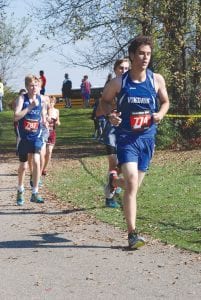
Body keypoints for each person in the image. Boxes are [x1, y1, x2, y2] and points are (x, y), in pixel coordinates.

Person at [100, 35, 169, 249]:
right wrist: (110, 114)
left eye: (148, 54)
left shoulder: (156, 79)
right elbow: (104, 101)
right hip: (127, 138)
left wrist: (161, 114)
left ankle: (112, 182)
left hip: (147, 139)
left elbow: (165, 102)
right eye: (141, 53)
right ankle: (132, 234)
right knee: (131, 182)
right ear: (132, 55)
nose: (145, 57)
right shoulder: (119, 82)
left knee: (133, 187)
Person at [99, 58, 130, 208]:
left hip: (126, 130)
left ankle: (114, 184)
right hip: (111, 130)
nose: (123, 71)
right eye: (121, 68)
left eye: (126, 68)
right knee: (113, 162)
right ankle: (109, 196)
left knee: (123, 163)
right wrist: (110, 114)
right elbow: (101, 105)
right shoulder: (111, 86)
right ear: (115, 70)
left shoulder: (131, 86)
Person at [14, 75, 46, 205]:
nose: (34, 88)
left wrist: (45, 119)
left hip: (36, 136)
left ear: (39, 87)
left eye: (36, 85)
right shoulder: (22, 99)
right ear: (27, 87)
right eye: (32, 85)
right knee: (23, 166)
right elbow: (16, 117)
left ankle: (35, 192)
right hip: (24, 138)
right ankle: (20, 190)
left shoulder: (42, 99)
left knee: (37, 161)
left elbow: (42, 114)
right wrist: (29, 108)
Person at [42, 96, 60, 175]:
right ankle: (39, 167)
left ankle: (44, 169)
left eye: (52, 102)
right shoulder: (44, 110)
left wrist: (57, 122)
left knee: (49, 152)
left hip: (52, 132)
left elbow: (58, 121)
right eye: (50, 102)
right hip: (43, 133)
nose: (51, 104)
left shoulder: (56, 111)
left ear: (54, 103)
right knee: (42, 153)